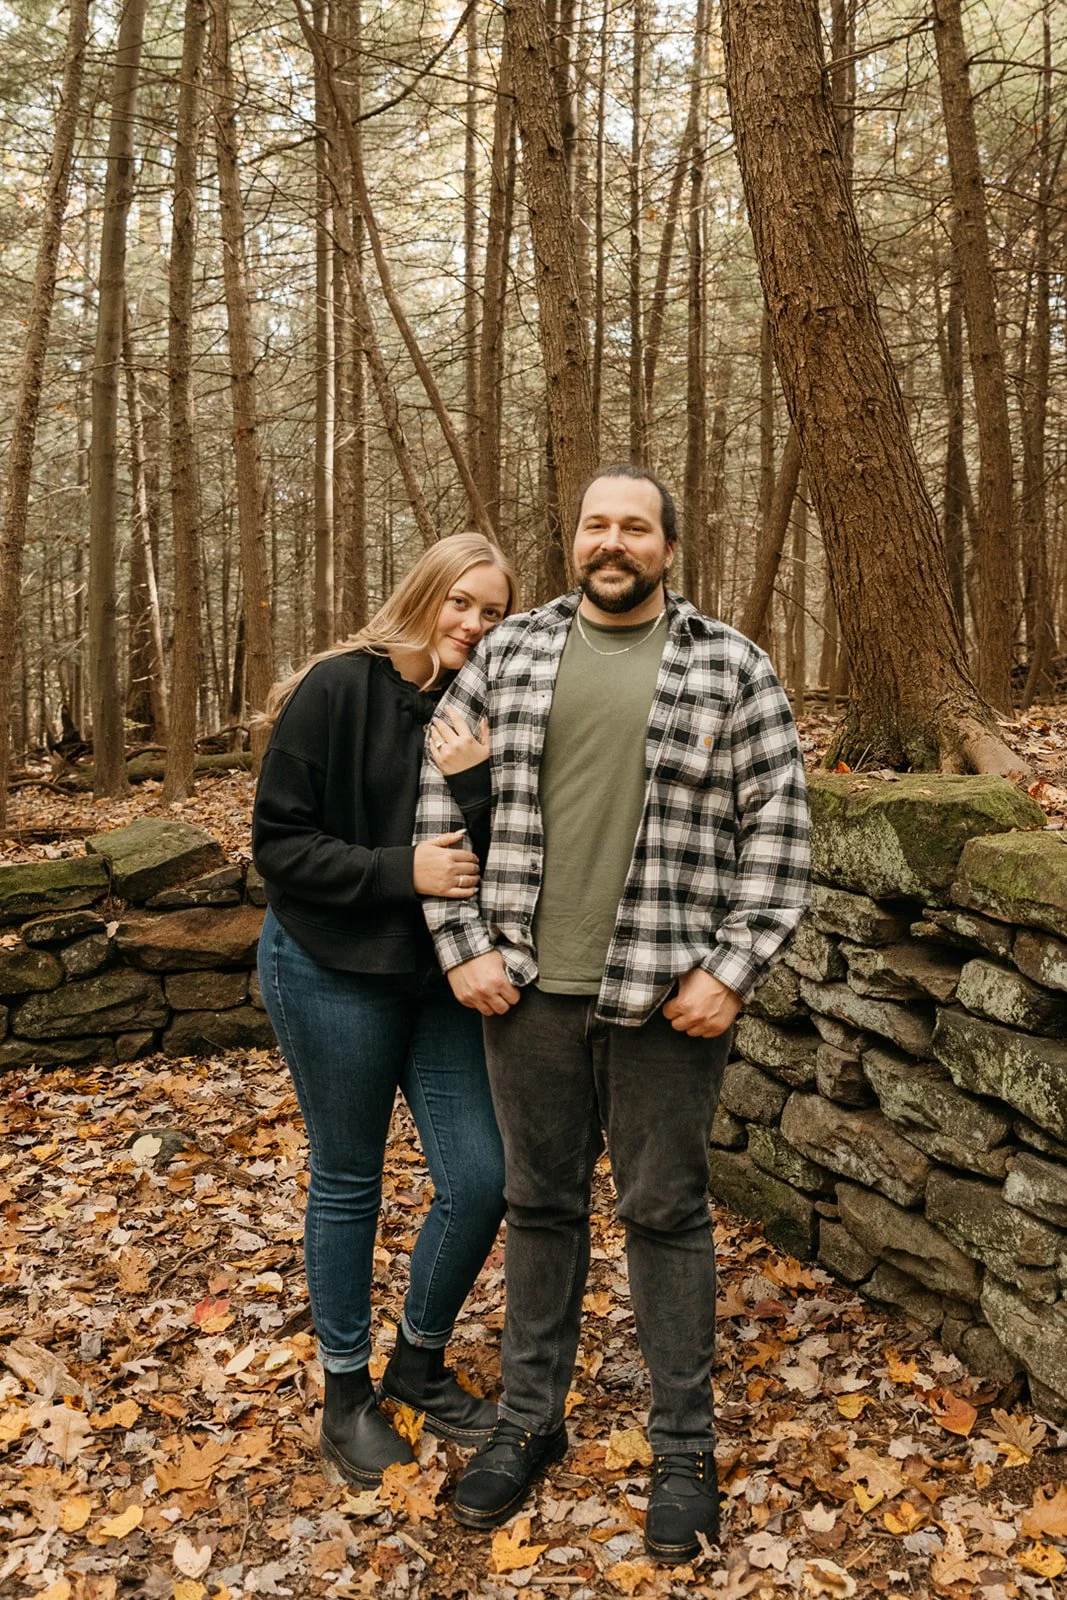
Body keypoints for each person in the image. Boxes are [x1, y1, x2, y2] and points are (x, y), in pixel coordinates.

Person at [416, 466, 811, 1562]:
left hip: (664, 1001)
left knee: (665, 1213)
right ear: (574, 539)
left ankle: (682, 1448)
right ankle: (526, 1424)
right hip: (527, 990)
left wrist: (730, 969)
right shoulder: (510, 654)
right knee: (539, 1207)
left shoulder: (729, 666)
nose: (612, 541)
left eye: (634, 527)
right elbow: (435, 806)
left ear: (667, 549)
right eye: (596, 524)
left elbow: (777, 836)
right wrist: (464, 949)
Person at [252, 533, 518, 1488]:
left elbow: (511, 844)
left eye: (492, 613)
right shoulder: (339, 687)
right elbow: (279, 845)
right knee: (350, 1178)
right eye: (461, 603)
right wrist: (396, 871)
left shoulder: (482, 705)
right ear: (424, 593)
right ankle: (345, 1395)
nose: (474, 625)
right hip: (328, 966)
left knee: (482, 1177)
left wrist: (483, 781)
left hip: (437, 976)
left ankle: (418, 1359)